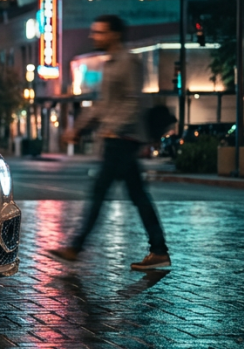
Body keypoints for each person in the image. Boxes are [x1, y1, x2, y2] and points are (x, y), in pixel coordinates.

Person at [50, 15, 169, 270]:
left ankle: (76, 246)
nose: (94, 36)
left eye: (100, 32)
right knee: (137, 196)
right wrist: (78, 128)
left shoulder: (129, 63)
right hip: (118, 140)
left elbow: (134, 102)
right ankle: (158, 250)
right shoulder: (110, 64)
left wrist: (113, 130)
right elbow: (102, 106)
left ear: (114, 34)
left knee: (100, 193)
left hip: (123, 140)